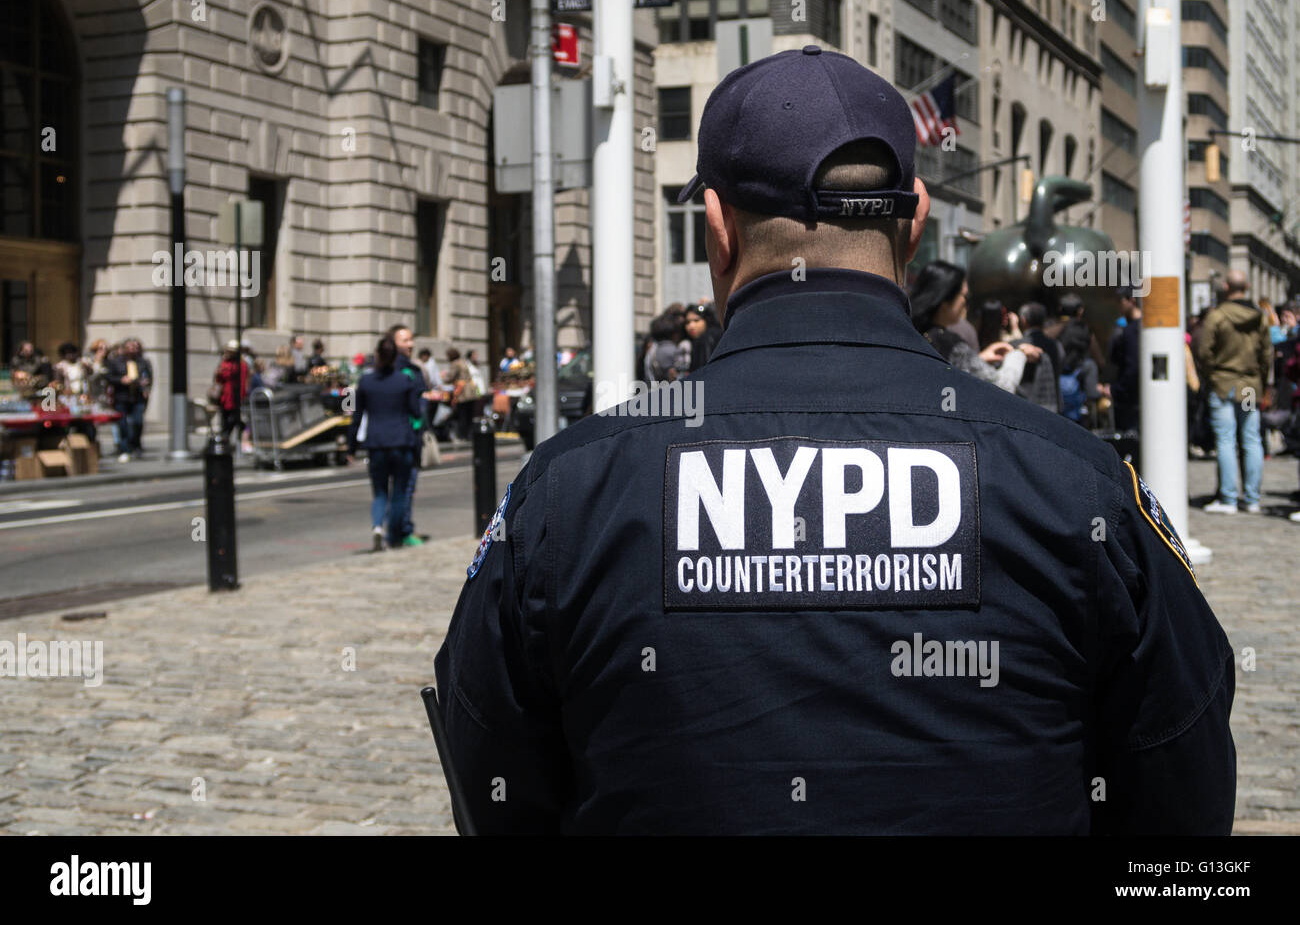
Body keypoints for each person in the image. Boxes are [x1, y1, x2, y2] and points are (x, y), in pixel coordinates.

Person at [434, 47, 1235, 835]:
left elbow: (494, 773)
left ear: (717, 228)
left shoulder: (572, 488)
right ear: (914, 220)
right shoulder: (1074, 481)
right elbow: (1182, 786)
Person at [1196, 270, 1272, 514]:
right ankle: (1252, 498)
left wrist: (1211, 373)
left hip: (1223, 384)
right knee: (1251, 439)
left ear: (1226, 286)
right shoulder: (1260, 318)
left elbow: (1204, 351)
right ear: (1247, 286)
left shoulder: (1217, 316)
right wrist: (1262, 379)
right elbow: (1266, 354)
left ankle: (1228, 498)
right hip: (1249, 386)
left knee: (1226, 440)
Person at [909, 261, 1038, 394]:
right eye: (964, 296)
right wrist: (1019, 354)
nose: (965, 302)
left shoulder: (910, 330)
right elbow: (1003, 386)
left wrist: (979, 358)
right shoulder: (950, 343)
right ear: (945, 300)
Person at [347, 335, 424, 550]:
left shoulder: (366, 381)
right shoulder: (404, 380)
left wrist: (350, 447)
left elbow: (356, 416)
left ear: (378, 355)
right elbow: (415, 411)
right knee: (399, 492)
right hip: (401, 440)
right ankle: (394, 536)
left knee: (380, 492)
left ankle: (377, 525)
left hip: (377, 443)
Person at [387, 324, 430, 545]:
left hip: (395, 436)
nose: (410, 344)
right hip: (405, 436)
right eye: (405, 340)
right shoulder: (405, 371)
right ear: (393, 343)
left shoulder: (399, 369)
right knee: (405, 485)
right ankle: (401, 531)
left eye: (411, 339)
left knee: (397, 487)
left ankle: (395, 530)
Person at [105, 338, 153, 462]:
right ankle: (125, 448)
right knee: (123, 424)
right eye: (131, 347)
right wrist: (121, 380)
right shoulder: (116, 362)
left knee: (138, 422)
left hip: (137, 397)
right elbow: (109, 377)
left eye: (136, 347)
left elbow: (149, 377)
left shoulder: (143, 362)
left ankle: (136, 444)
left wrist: (146, 386)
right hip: (122, 397)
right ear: (125, 348)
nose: (133, 349)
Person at [1016, 302, 1063, 413]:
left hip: (1024, 407)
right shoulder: (1056, 345)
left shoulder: (1017, 346)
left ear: (1023, 320)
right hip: (1053, 406)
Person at [1108, 287, 1142, 431]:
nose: (1118, 306)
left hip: (1130, 399)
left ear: (1132, 301)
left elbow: (1133, 367)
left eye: (1121, 301)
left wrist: (1116, 389)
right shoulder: (1131, 328)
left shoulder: (1131, 330)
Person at [214, 340, 249, 449]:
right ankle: (226, 440)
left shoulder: (241, 365)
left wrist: (242, 397)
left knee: (234, 420)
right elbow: (219, 379)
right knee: (225, 420)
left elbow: (242, 381)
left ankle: (227, 438)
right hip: (225, 397)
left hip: (235, 397)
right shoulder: (224, 363)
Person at [682, 304, 723, 373]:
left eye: (696, 320)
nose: (691, 326)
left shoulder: (708, 339)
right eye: (687, 322)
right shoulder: (696, 340)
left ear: (706, 320)